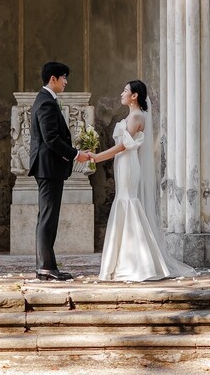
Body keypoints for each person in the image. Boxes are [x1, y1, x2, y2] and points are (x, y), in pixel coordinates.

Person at [91, 80, 195, 282]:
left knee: (128, 201)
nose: (122, 93)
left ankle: (138, 264)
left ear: (135, 96)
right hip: (124, 163)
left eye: (125, 91)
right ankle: (126, 260)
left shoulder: (137, 116)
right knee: (125, 201)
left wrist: (96, 157)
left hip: (128, 164)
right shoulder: (132, 115)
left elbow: (122, 146)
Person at [28, 61, 92, 281]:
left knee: (47, 218)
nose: (66, 81)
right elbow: (51, 138)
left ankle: (47, 266)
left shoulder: (45, 100)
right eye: (64, 77)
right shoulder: (46, 102)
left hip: (49, 168)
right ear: (52, 79)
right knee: (47, 218)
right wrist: (75, 154)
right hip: (49, 168)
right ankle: (45, 268)